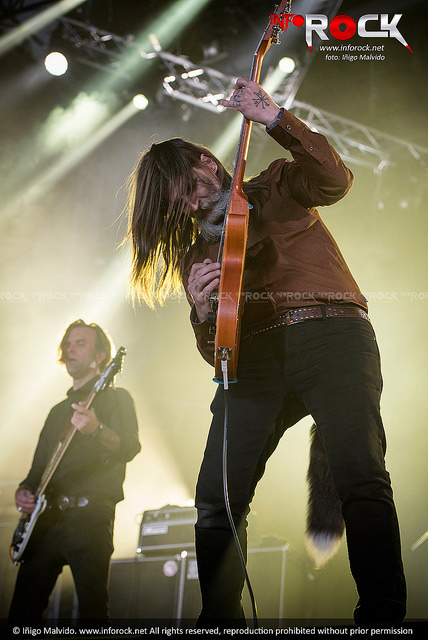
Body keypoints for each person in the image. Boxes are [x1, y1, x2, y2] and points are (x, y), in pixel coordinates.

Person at [125, 77, 406, 625]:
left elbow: (335, 180)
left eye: (190, 186)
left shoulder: (275, 184)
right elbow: (217, 355)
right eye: (178, 203)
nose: (192, 203)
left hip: (330, 333)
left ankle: (383, 614)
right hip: (254, 361)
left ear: (208, 163)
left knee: (360, 473)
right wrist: (202, 314)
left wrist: (277, 119)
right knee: (216, 497)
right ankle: (220, 620)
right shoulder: (196, 255)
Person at [8, 320, 141, 621]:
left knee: (93, 614)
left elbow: (130, 448)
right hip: (45, 520)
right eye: (67, 344)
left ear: (100, 357)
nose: (70, 349)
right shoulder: (57, 412)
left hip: (90, 518)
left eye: (80, 343)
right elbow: (36, 471)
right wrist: (24, 492)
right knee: (21, 615)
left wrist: (96, 430)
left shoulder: (117, 398)